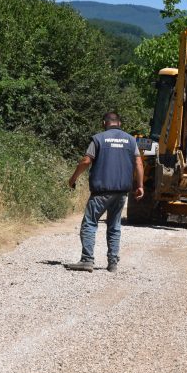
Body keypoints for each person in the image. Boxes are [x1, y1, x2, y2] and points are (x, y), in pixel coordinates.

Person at [65, 112, 144, 273]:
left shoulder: (99, 138)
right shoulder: (130, 140)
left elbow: (86, 160)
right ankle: (113, 263)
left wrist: (73, 178)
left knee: (90, 223)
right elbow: (138, 162)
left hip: (101, 192)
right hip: (121, 192)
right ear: (119, 123)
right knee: (114, 226)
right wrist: (140, 185)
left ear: (104, 123)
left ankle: (87, 260)